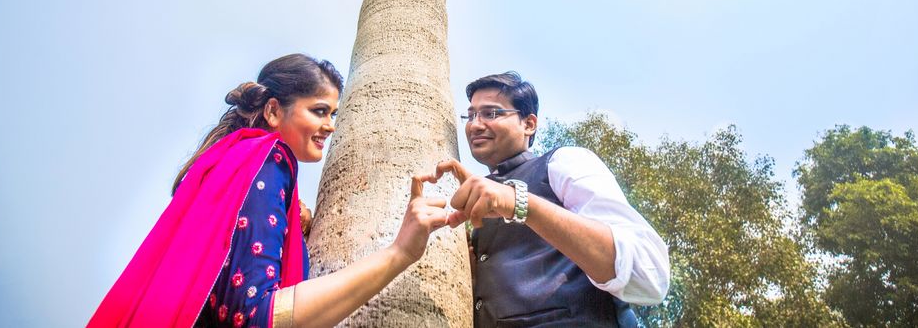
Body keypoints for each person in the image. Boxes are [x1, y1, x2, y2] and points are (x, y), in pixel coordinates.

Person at [87, 53, 449, 328]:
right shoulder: (271, 159)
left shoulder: (232, 164)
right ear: (274, 111)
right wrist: (399, 253)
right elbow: (257, 314)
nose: (330, 127)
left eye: (333, 115)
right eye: (320, 111)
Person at [431, 72, 670, 328]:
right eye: (471, 115)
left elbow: (649, 276)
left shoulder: (563, 162)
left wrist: (519, 202)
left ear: (529, 124)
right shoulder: (483, 204)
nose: (475, 125)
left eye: (491, 113)